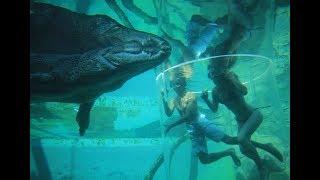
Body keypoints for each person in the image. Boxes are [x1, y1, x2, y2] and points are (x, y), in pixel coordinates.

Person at [201, 70, 283, 180]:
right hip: (241, 121)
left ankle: (261, 167)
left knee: (241, 138)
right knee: (243, 150)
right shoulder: (215, 92)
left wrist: (232, 79)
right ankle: (266, 147)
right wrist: (206, 99)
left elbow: (244, 91)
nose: (214, 77)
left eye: (215, 73)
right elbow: (214, 109)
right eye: (211, 75)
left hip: (253, 115)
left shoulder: (231, 79)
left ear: (221, 72)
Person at [161, 71, 241, 180]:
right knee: (204, 160)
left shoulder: (190, 95)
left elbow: (188, 115)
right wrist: (163, 100)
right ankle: (229, 152)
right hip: (192, 129)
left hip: (201, 122)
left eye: (178, 84)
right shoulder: (175, 100)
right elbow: (169, 113)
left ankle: (246, 139)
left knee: (228, 140)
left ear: (184, 84)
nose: (175, 87)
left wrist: (171, 126)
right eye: (173, 84)